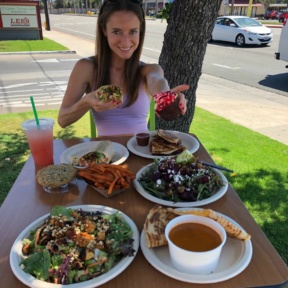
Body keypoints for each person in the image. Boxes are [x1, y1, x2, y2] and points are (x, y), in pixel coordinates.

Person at [58, 0, 189, 136]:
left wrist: (166, 96)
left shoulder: (149, 69)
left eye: (133, 31)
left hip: (141, 152)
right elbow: (63, 120)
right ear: (104, 30)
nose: (126, 41)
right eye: (116, 32)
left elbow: (157, 81)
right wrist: (86, 102)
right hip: (106, 154)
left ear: (140, 30)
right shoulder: (86, 68)